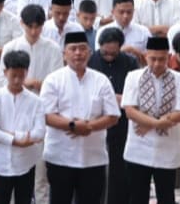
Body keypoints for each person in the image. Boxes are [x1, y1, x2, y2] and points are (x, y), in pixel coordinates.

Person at [40, 30, 120, 204]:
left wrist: (88, 126)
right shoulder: (53, 80)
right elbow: (46, 115)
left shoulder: (101, 80)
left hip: (93, 157)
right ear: (64, 54)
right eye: (73, 49)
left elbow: (113, 116)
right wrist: (72, 125)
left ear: (90, 53)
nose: (78, 53)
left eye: (83, 48)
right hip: (60, 156)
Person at [121, 35, 180, 204]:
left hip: (167, 147)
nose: (157, 63)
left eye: (162, 59)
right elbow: (130, 110)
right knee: (137, 197)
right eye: (153, 59)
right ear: (146, 56)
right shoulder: (133, 76)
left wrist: (148, 123)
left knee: (166, 197)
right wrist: (156, 123)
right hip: (139, 147)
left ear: (168, 57)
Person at [0, 49, 45, 204]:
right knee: (1, 200)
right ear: (5, 72)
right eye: (14, 76)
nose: (18, 80)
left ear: (26, 72)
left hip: (26, 161)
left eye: (21, 75)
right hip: (0, 161)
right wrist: (17, 139)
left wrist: (7, 134)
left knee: (24, 199)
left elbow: (39, 132)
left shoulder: (35, 101)